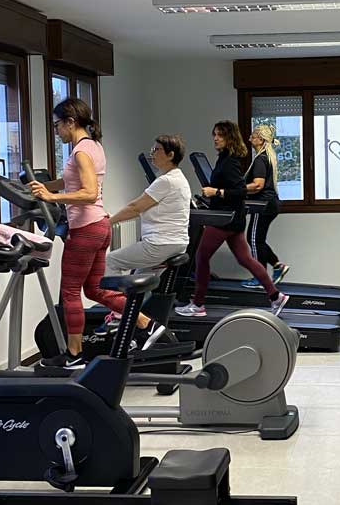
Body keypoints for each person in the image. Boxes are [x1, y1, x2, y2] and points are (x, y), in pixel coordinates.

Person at [28, 98, 156, 369]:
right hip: (99, 226)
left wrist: (52, 197)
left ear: (70, 122)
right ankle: (147, 324)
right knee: (95, 290)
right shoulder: (93, 146)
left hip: (86, 229)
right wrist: (45, 186)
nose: (56, 131)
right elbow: (71, 181)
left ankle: (74, 355)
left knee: (70, 292)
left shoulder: (81, 152)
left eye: (57, 125)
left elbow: (88, 193)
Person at [174, 120, 289, 317]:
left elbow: (240, 191)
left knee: (201, 257)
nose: (216, 138)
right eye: (214, 134)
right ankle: (276, 296)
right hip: (233, 218)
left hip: (225, 219)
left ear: (230, 138)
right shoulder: (225, 158)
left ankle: (198, 304)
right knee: (245, 259)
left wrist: (216, 192)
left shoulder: (230, 162)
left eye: (220, 135)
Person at [93, 134, 192, 345]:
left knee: (111, 261)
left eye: (156, 150)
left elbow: (135, 207)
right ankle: (137, 322)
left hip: (159, 245)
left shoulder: (165, 181)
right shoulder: (179, 178)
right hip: (174, 244)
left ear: (170, 155)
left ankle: (119, 315)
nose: (152, 154)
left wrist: (107, 222)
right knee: (139, 282)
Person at [240, 124, 290, 289]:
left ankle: (260, 277)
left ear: (261, 140)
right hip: (270, 204)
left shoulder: (261, 159)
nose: (249, 139)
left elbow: (258, 185)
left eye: (253, 136)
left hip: (262, 205)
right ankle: (277, 265)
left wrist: (237, 189)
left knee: (254, 239)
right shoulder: (266, 156)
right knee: (258, 239)